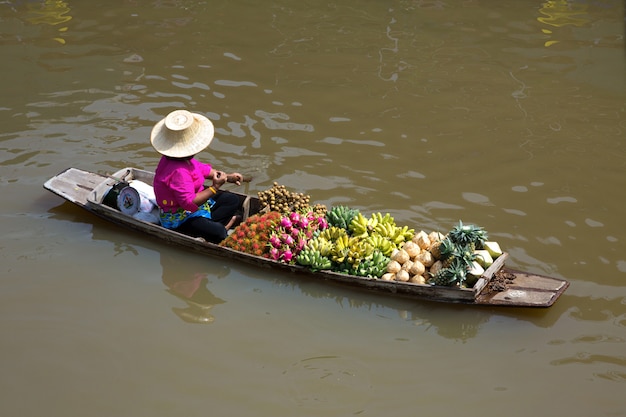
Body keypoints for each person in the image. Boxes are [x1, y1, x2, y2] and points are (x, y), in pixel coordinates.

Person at [150, 109, 244, 243]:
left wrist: (228, 177)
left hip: (197, 207)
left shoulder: (182, 159)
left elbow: (203, 170)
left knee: (232, 200)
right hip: (180, 217)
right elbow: (189, 203)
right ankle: (224, 226)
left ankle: (213, 225)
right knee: (219, 233)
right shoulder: (178, 172)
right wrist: (214, 187)